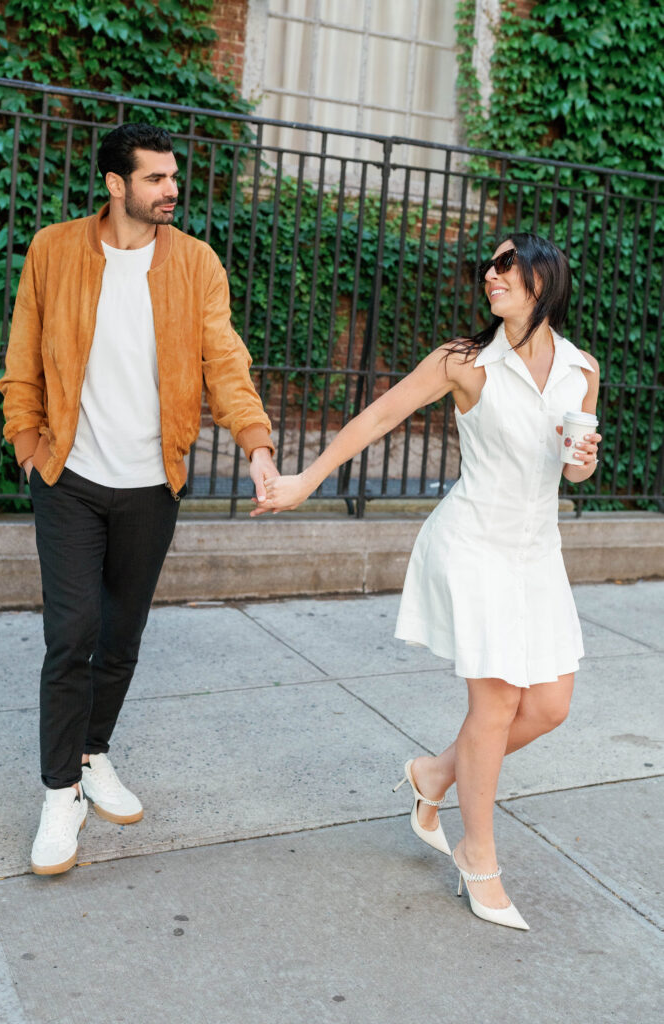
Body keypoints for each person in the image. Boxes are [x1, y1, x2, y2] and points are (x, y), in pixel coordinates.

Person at [253, 233, 601, 931]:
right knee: (497, 701)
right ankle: (478, 854)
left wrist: (582, 461)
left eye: (506, 265)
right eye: (489, 265)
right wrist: (305, 481)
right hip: (473, 543)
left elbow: (574, 468)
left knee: (551, 705)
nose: (490, 274)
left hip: (536, 550)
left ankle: (434, 775)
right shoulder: (463, 362)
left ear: (543, 280)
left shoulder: (579, 368)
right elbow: (379, 416)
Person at [0, 123, 277, 876]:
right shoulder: (53, 250)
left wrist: (255, 444)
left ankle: (93, 754)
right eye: (154, 178)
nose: (170, 190)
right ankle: (60, 795)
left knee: (120, 636)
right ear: (115, 184)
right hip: (68, 478)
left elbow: (224, 358)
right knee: (73, 635)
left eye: (172, 177)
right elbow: (23, 353)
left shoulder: (194, 263)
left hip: (153, 482)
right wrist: (27, 443)